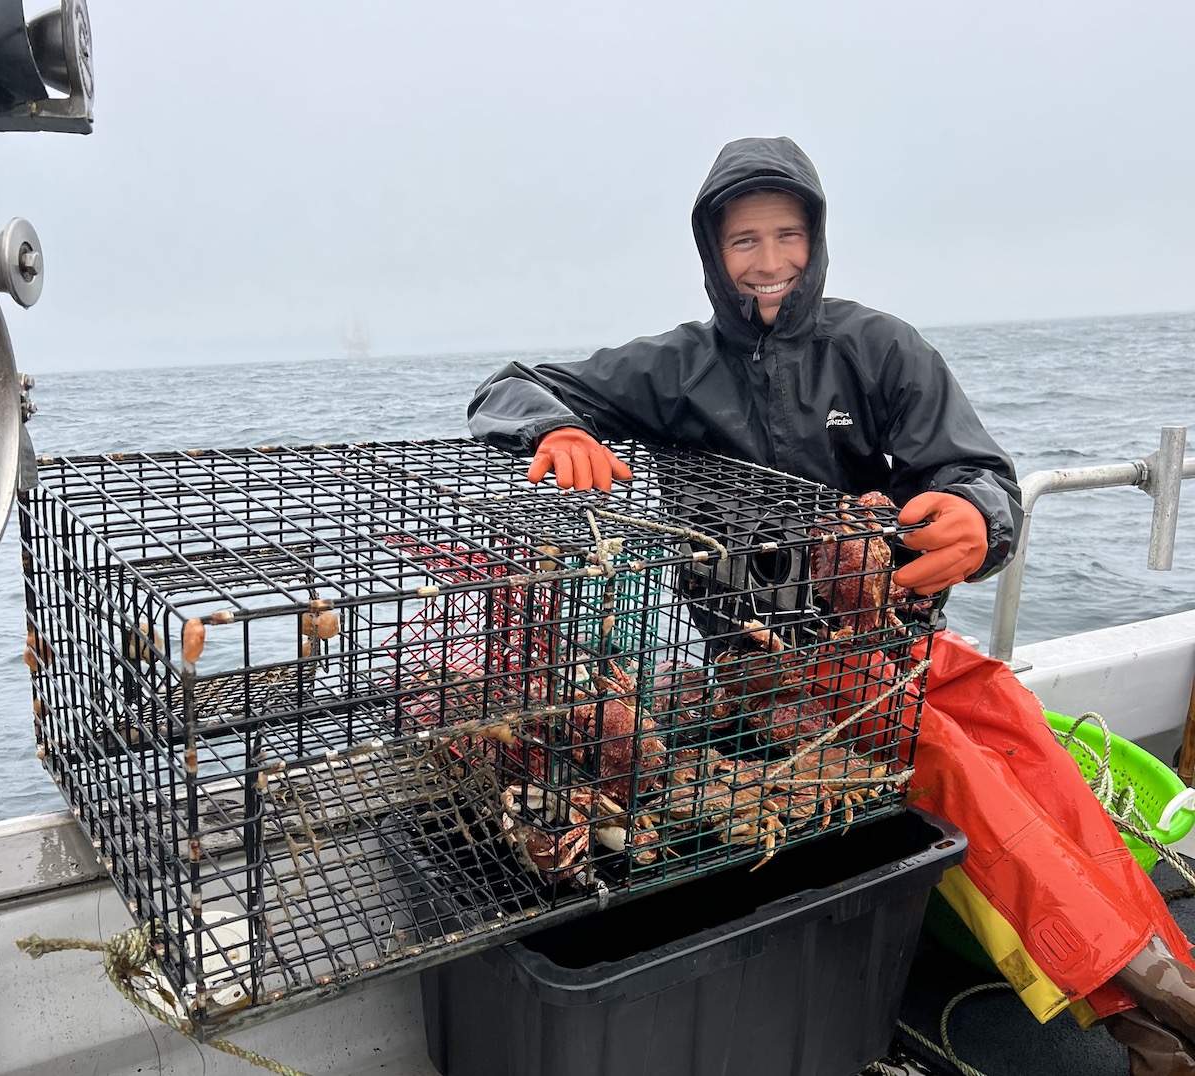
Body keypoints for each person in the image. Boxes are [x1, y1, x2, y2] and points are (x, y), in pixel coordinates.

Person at [468, 136, 1195, 1074]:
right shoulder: (676, 369)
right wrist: (557, 427)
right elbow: (509, 386)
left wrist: (979, 516)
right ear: (710, 254)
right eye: (743, 243)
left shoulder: (876, 346)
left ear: (816, 238)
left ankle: (1160, 988)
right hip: (769, 667)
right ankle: (1150, 1010)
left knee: (1023, 732)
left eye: (786, 236)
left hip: (896, 640)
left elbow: (973, 469)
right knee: (953, 768)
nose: (767, 263)